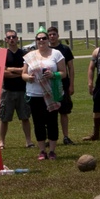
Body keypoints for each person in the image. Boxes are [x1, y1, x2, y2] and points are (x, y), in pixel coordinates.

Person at [22, 27, 67, 160]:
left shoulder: (56, 54)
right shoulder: (30, 56)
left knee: (52, 122)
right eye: (39, 39)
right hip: (34, 94)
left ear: (48, 40)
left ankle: (52, 151)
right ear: (36, 41)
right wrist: (28, 78)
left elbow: (64, 73)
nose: (41, 40)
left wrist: (53, 74)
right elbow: (23, 74)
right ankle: (42, 151)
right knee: (38, 123)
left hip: (51, 93)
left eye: (44, 38)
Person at [0, 30, 35, 150]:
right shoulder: (3, 54)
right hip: (7, 91)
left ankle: (28, 141)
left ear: (17, 39)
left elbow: (28, 70)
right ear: (6, 40)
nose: (12, 39)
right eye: (9, 37)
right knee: (4, 118)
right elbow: (3, 73)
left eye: (14, 37)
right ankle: (2, 142)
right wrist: (20, 72)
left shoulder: (24, 54)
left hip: (23, 90)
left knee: (25, 117)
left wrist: (11, 69)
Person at [47, 26, 76, 145]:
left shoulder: (65, 49)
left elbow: (71, 68)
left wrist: (71, 85)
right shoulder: (45, 50)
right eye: (50, 35)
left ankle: (66, 136)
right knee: (50, 113)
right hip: (48, 86)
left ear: (58, 35)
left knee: (64, 112)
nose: (52, 36)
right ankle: (51, 138)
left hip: (63, 84)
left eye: (54, 34)